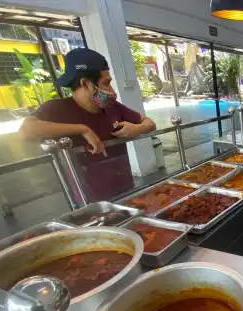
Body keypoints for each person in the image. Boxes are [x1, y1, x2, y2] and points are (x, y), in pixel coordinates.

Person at [19, 48, 156, 201]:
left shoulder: (112, 107)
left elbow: (149, 123)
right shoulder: (57, 109)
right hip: (87, 198)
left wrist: (137, 128)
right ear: (86, 84)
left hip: (124, 191)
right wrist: (83, 130)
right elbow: (26, 131)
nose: (111, 90)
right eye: (106, 83)